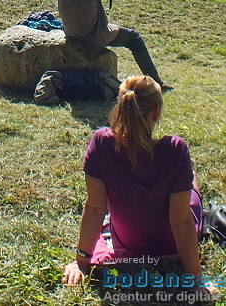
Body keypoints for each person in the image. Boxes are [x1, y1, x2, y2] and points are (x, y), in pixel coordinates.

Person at [62, 76, 208, 298]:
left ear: (120, 107)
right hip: (171, 247)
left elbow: (94, 208)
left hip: (128, 244)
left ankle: (190, 177)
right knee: (191, 194)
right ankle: (192, 177)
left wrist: (81, 261)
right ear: (156, 113)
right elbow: (182, 221)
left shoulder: (101, 143)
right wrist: (196, 279)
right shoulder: (176, 149)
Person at [57, 0, 170, 90]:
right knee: (135, 38)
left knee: (115, 28)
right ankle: (157, 82)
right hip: (92, 37)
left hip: (71, 34)